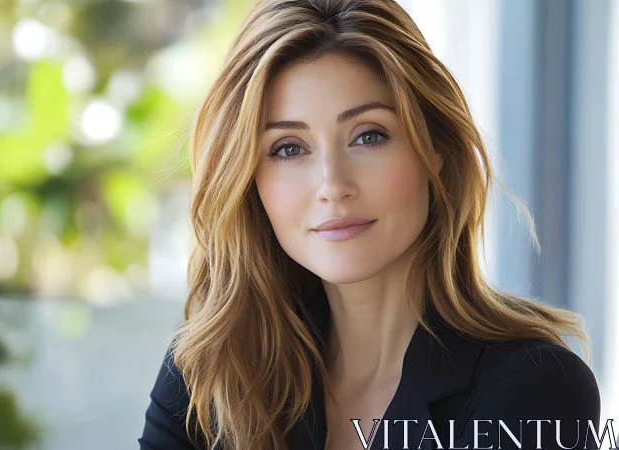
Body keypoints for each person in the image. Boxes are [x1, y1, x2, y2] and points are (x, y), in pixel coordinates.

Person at [138, 0, 602, 449]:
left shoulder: (536, 388)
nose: (332, 185)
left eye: (369, 136)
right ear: (247, 179)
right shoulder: (209, 373)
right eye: (288, 148)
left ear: (434, 150)